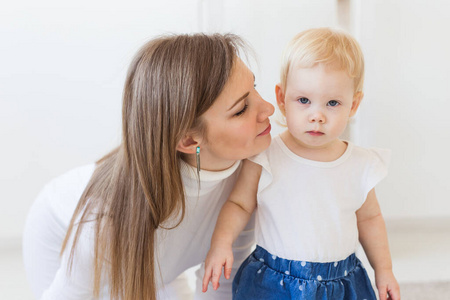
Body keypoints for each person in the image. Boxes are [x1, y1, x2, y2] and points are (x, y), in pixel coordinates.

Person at [22, 33, 275, 300]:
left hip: (160, 262)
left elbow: (221, 283)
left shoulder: (247, 181)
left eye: (255, 87)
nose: (268, 108)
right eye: (241, 108)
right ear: (189, 140)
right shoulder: (103, 223)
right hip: (63, 235)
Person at [202, 28, 401, 300]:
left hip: (340, 282)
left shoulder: (360, 164)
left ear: (353, 105)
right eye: (304, 100)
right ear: (282, 99)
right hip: (275, 282)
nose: (316, 116)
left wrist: (384, 270)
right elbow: (239, 204)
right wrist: (221, 243)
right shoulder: (267, 154)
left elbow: (370, 218)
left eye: (332, 103)